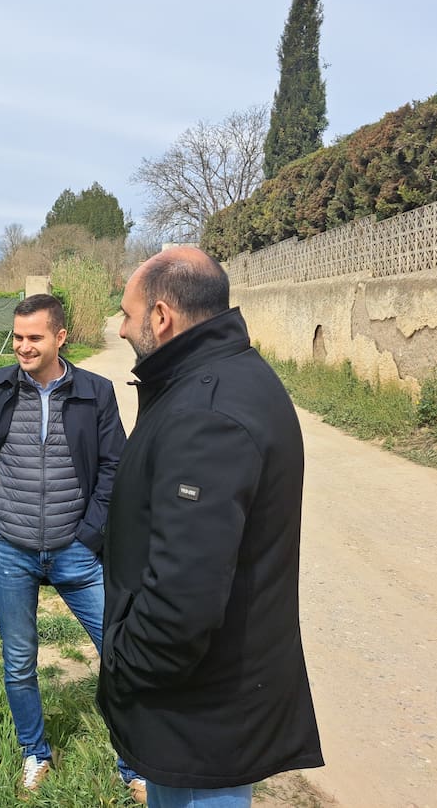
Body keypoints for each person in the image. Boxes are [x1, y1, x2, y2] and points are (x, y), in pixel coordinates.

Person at [98, 247, 323, 808]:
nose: (121, 329)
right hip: (200, 707)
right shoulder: (216, 377)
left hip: (198, 717)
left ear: (161, 316)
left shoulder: (207, 411)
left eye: (127, 314)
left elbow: (183, 601)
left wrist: (122, 665)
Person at [0, 294, 146, 801]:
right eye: (19, 337)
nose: (24, 348)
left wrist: (90, 533)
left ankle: (133, 762)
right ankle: (35, 752)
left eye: (35, 338)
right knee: (20, 660)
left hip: (76, 549)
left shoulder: (95, 392)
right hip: (11, 547)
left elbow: (116, 465)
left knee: (119, 650)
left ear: (60, 338)